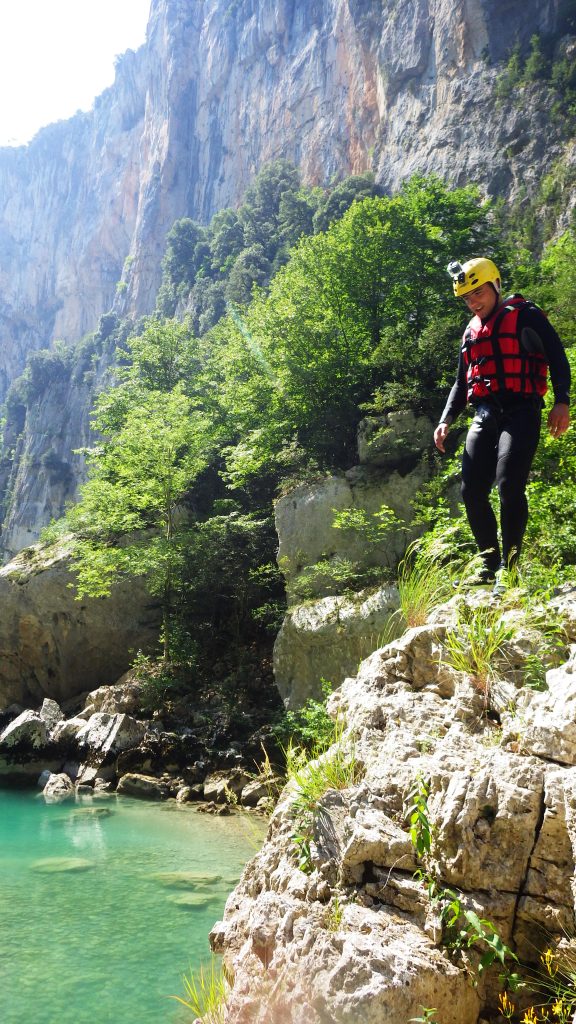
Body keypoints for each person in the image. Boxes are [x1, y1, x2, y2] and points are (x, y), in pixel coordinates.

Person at [433, 257, 571, 590]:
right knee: (471, 490)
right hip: (485, 413)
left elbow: (557, 356)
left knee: (509, 486)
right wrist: (445, 420)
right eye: (467, 298)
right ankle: (488, 564)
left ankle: (509, 569)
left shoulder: (526, 315)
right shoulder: (470, 331)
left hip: (522, 410)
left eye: (478, 293)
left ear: (495, 285)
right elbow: (461, 382)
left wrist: (562, 401)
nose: (473, 303)